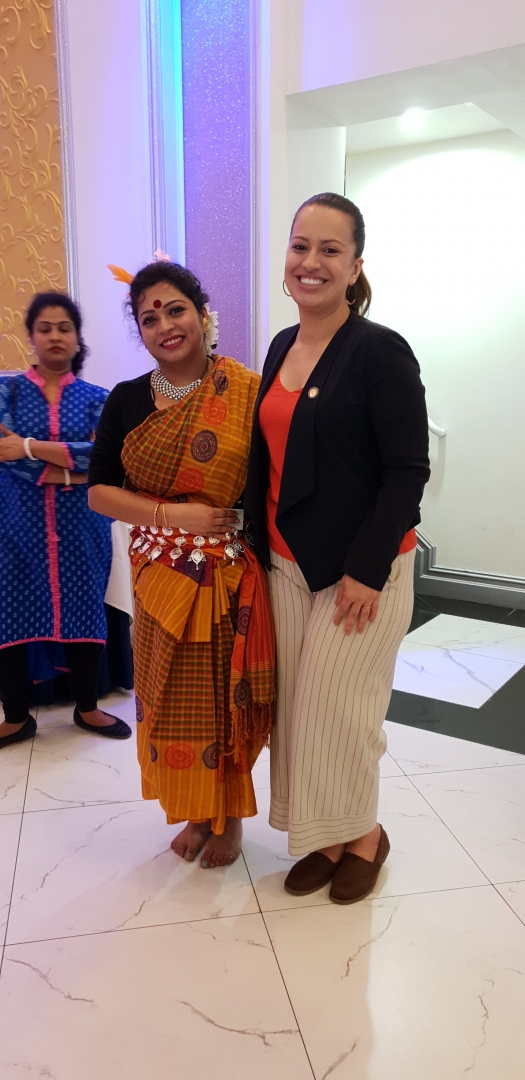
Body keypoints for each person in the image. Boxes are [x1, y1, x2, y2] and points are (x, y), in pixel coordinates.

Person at [244, 192, 430, 903]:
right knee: (299, 711)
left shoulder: (378, 351)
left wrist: (366, 571)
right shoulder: (279, 346)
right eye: (300, 246)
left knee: (341, 709)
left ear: (354, 267)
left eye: (330, 249)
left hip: (360, 569)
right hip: (286, 562)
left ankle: (365, 837)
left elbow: (406, 471)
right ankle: (327, 837)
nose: (311, 261)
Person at [88, 260, 275, 869]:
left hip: (226, 574)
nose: (165, 325)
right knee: (170, 700)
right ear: (140, 332)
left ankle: (229, 818)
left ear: (201, 315)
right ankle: (195, 811)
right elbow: (99, 493)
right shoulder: (126, 400)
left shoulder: (246, 391)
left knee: (224, 700)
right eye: (149, 318)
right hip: (159, 577)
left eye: (175, 310)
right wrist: (174, 516)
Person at [0, 292, 131, 748]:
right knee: (10, 613)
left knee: (84, 608)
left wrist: (29, 447)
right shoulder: (7, 392)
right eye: (45, 328)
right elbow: (2, 453)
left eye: (64, 327)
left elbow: (106, 457)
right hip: (16, 526)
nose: (55, 336)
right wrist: (72, 472)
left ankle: (87, 708)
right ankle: (16, 717)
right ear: (31, 336)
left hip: (82, 527)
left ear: (78, 338)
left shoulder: (99, 399)